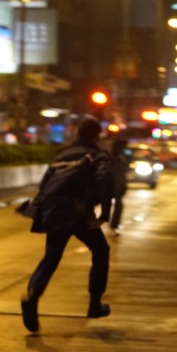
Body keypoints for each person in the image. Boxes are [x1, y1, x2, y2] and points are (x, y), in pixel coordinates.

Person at [21, 116, 114, 332]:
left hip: (55, 212)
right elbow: (105, 182)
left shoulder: (60, 155)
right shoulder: (98, 155)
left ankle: (33, 294)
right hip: (78, 213)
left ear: (76, 134)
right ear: (95, 135)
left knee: (51, 257)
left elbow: (44, 185)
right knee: (101, 250)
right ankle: (94, 304)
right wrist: (104, 215)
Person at [109, 139, 129, 235]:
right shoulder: (113, 159)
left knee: (118, 206)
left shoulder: (121, 158)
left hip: (116, 187)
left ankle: (114, 225)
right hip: (111, 187)